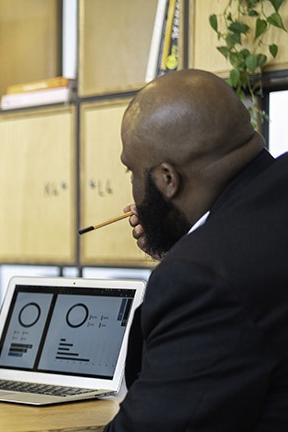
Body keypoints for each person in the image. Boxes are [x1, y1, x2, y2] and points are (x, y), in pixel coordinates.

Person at [105, 69, 288, 430]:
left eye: (132, 173)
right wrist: (188, 239)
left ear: (168, 179)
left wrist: (189, 258)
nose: (133, 189)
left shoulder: (202, 277)